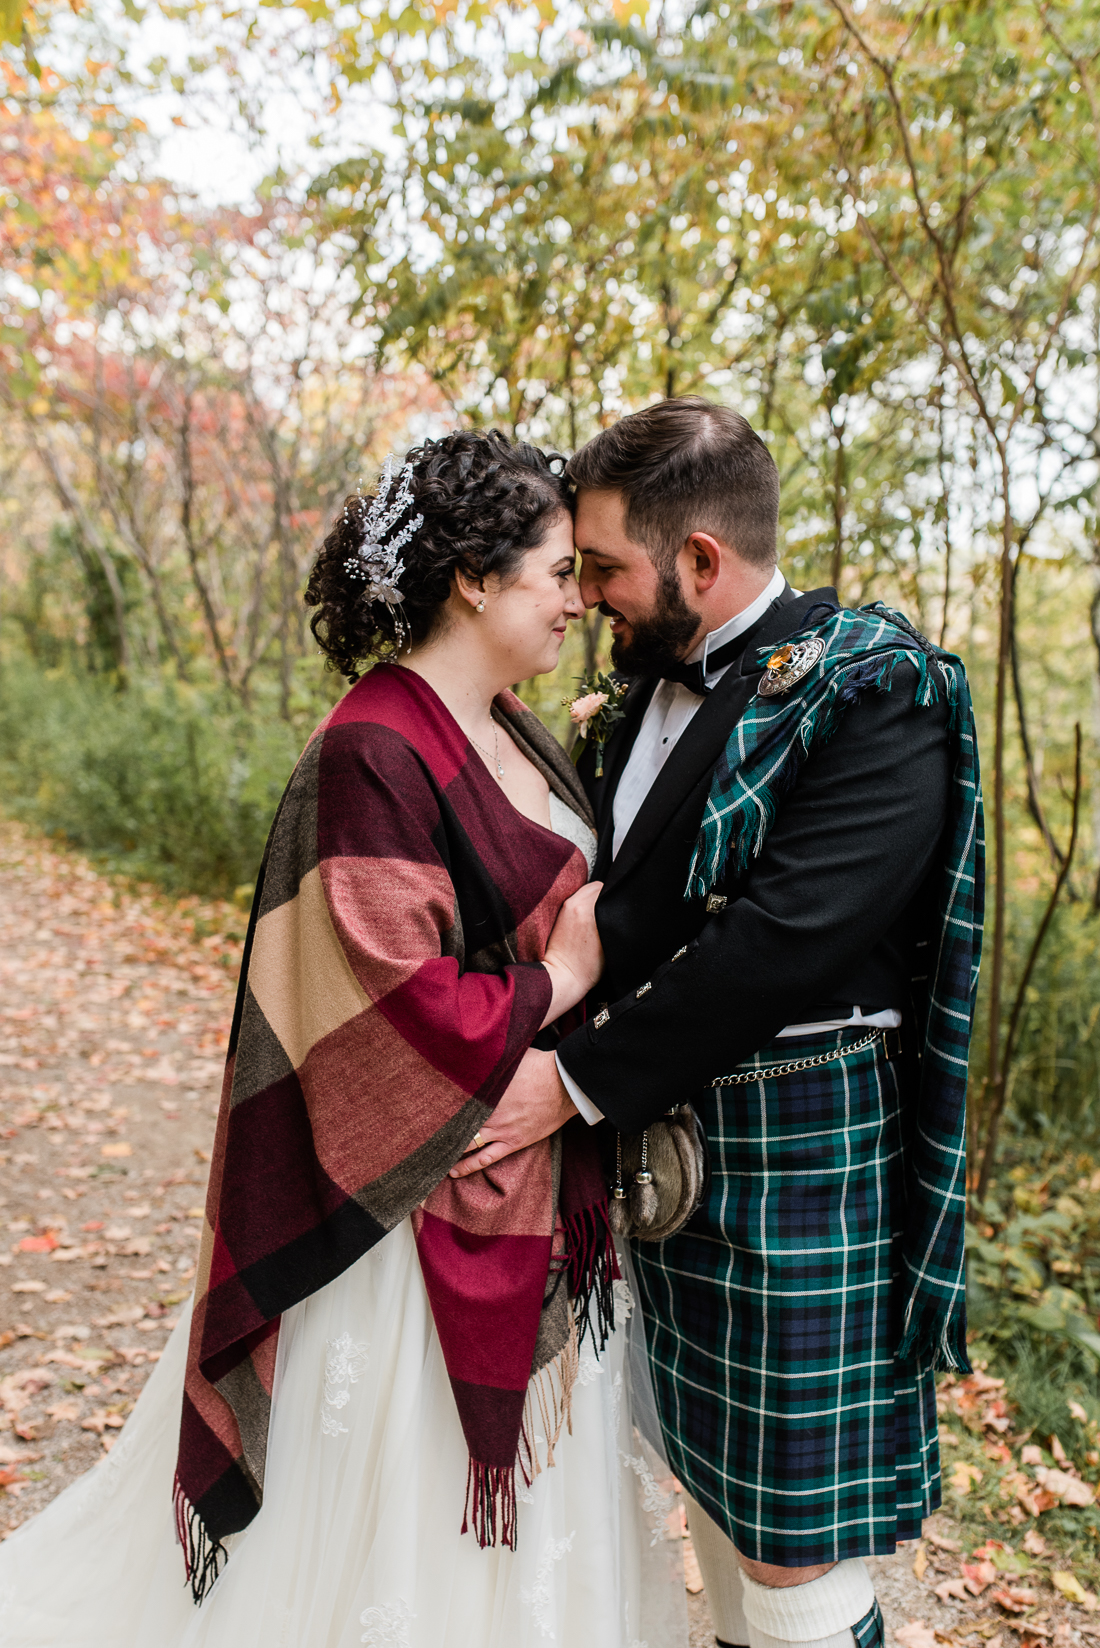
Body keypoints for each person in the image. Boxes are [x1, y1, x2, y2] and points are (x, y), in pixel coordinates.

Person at [0, 430, 687, 1648]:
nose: (576, 600)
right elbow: (385, 999)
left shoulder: (520, 729)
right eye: (551, 573)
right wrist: (568, 971)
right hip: (398, 1222)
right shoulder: (372, 745)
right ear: (475, 577)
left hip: (531, 1169)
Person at [450, 399, 983, 1648]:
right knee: (718, 1504)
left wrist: (567, 1082)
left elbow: (777, 945)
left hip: (802, 1173)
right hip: (662, 1172)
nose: (585, 596)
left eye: (603, 568)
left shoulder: (871, 683)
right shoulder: (635, 700)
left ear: (699, 559)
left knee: (795, 1549)